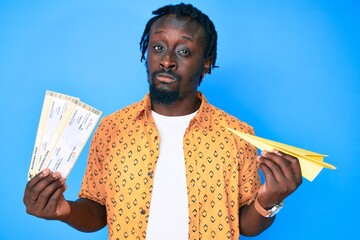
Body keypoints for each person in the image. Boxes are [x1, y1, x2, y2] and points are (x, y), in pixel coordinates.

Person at [23, 3, 302, 240]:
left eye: (184, 51)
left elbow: (244, 224)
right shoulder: (112, 128)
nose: (167, 60)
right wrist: (64, 210)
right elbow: (98, 210)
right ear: (147, 54)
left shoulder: (238, 134)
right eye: (158, 47)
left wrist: (268, 200)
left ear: (207, 62)